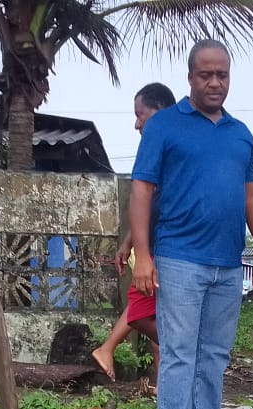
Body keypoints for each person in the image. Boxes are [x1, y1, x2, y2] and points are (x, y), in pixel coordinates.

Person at [129, 40, 253, 409]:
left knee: (214, 352)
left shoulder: (240, 135)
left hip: (228, 263)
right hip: (178, 258)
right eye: (205, 75)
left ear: (229, 77)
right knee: (179, 351)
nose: (214, 83)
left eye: (221, 75)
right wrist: (143, 255)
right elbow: (141, 190)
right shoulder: (164, 126)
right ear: (190, 77)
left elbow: (252, 195)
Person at [91, 83, 176, 388]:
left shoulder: (175, 145)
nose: (136, 124)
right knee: (147, 311)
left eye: (141, 115)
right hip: (152, 248)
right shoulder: (155, 148)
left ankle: (171, 372)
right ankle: (168, 382)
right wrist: (130, 243)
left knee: (146, 312)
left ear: (161, 111)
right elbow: (145, 201)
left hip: (170, 248)